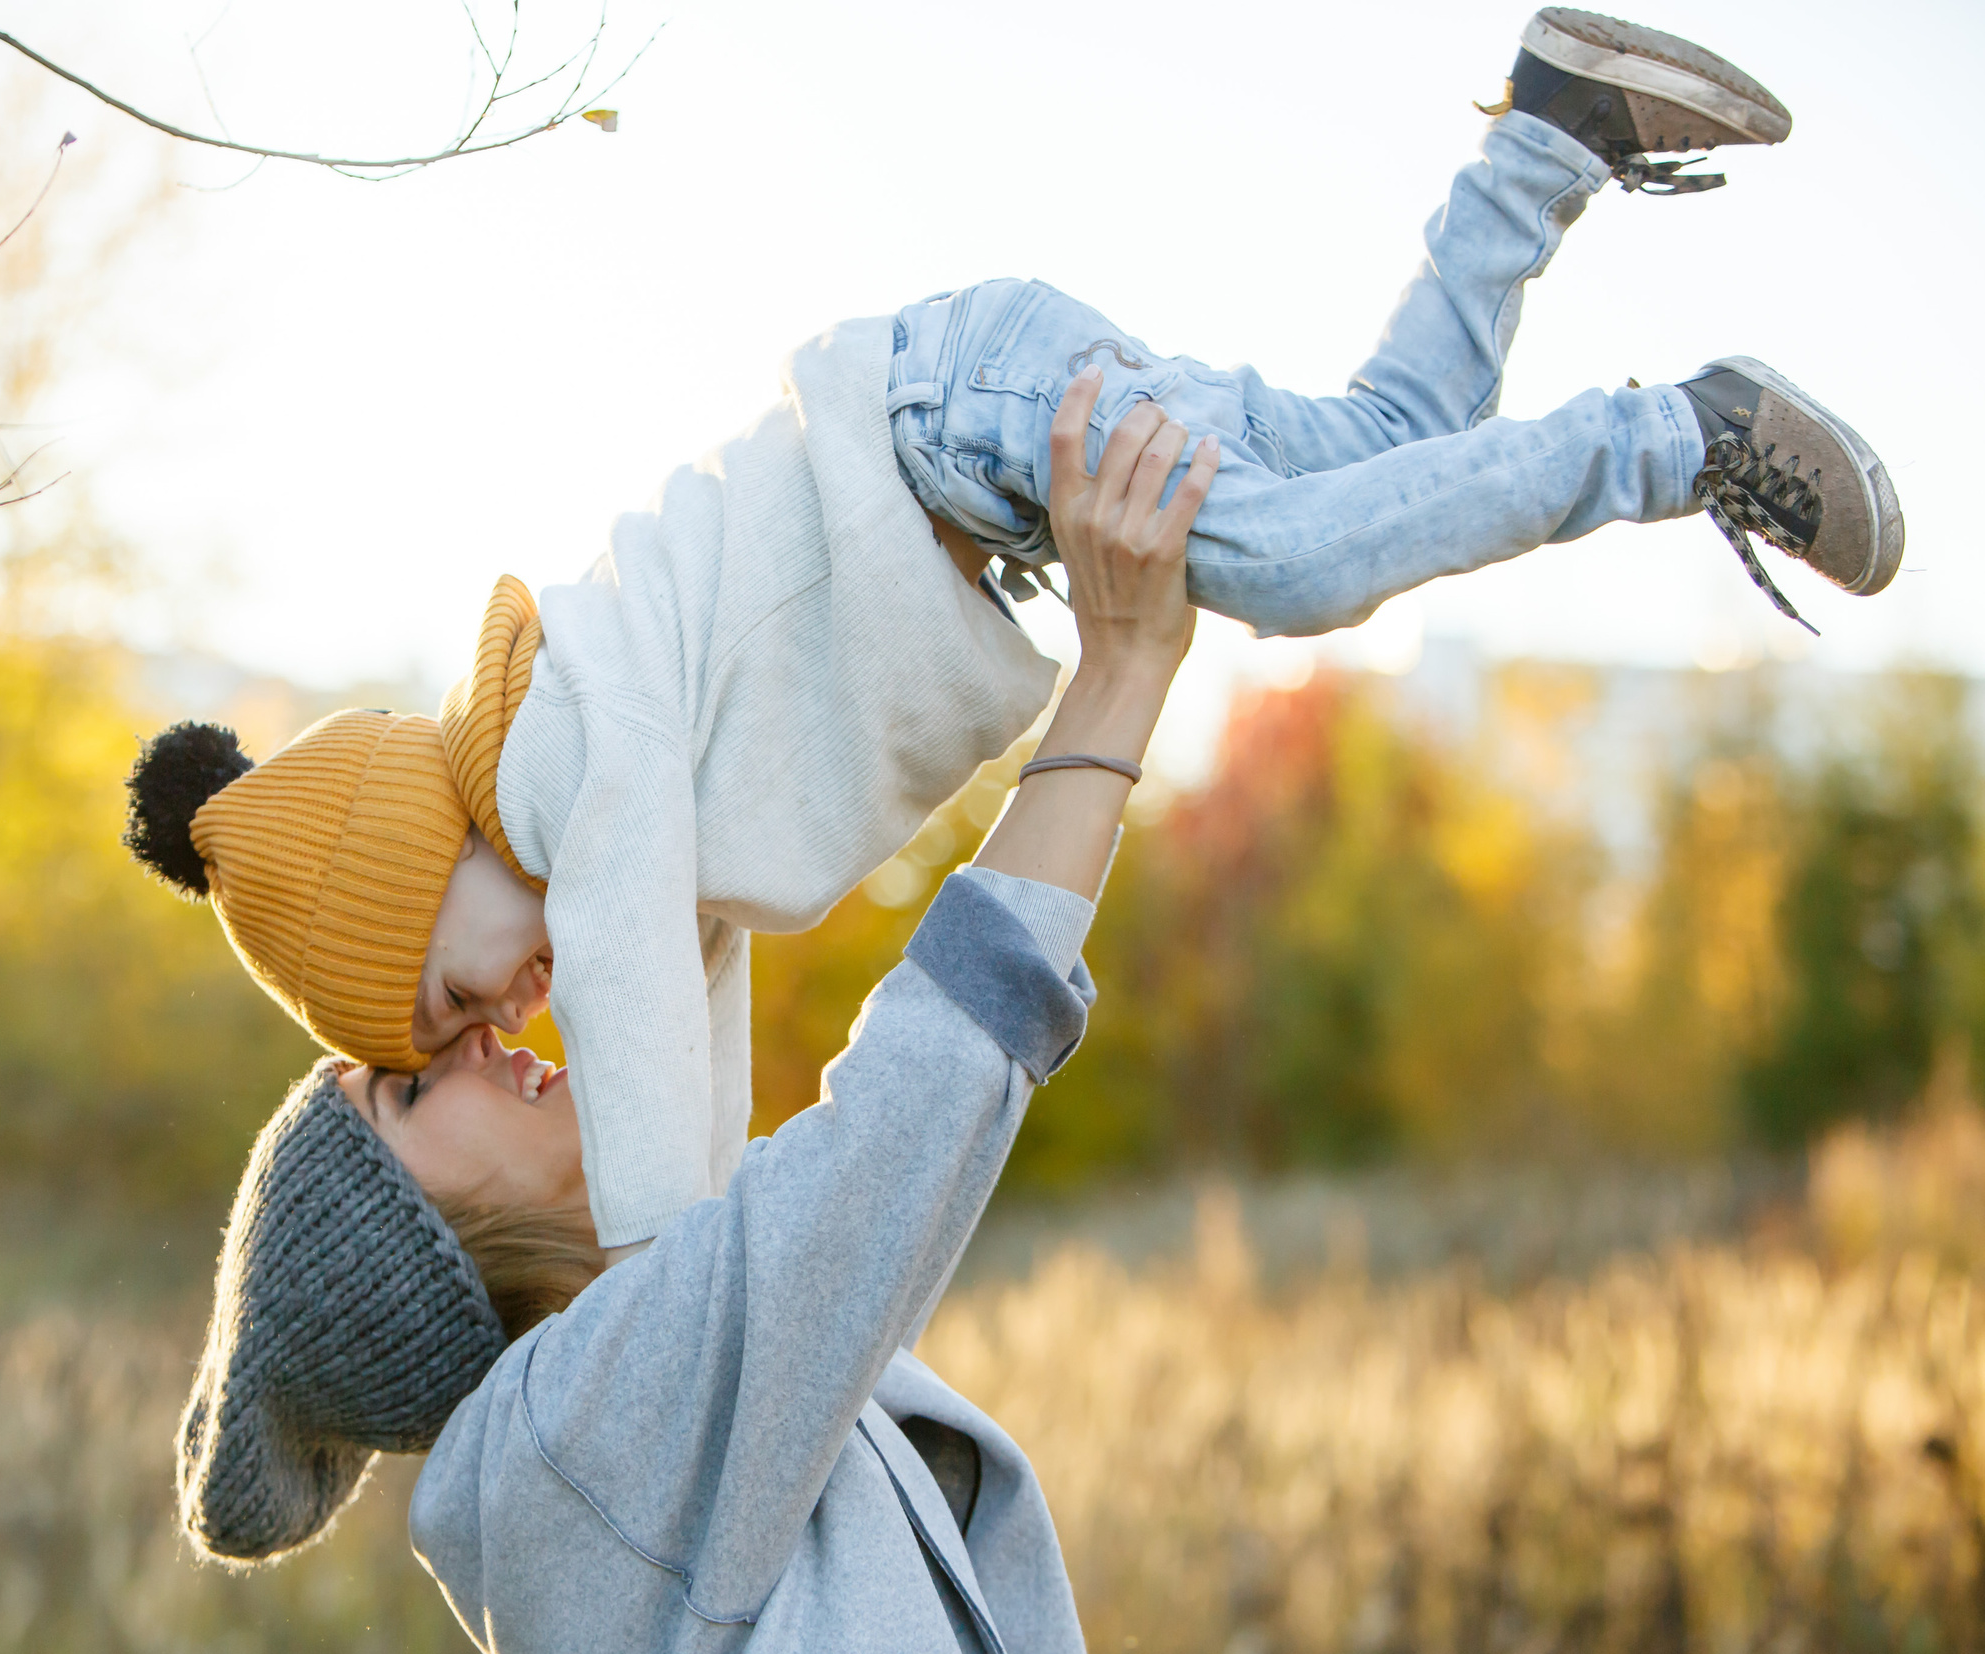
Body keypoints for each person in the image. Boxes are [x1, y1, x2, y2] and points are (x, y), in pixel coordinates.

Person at [122, 8, 1902, 1261]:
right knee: (1373, 465)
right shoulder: (637, 846)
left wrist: (668, 1275)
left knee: (1284, 571)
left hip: (956, 423)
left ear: (416, 852)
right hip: (965, 409)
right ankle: (1548, 140)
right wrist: (719, 1229)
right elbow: (697, 1067)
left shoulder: (557, 760)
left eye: (452, 987)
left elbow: (645, 1073)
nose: (514, 1008)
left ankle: (1679, 437)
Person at [176, 377, 1207, 1654]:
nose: (490, 1040)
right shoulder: (577, 1448)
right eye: (413, 1094)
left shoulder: (614, 1398)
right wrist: (1119, 672)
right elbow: (910, 1107)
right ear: (423, 1250)